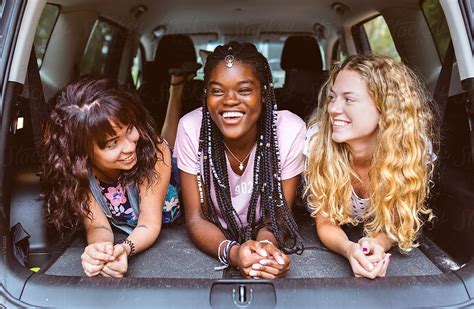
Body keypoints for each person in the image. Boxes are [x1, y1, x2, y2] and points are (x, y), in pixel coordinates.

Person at [174, 41, 305, 279]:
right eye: (217, 91)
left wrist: (265, 248)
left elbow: (278, 217)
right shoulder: (191, 129)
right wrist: (234, 254)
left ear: (264, 93)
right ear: (206, 95)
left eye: (244, 90)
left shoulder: (289, 131)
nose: (230, 100)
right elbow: (194, 218)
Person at [304, 54, 437, 279]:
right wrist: (350, 249)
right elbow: (325, 221)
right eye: (332, 97)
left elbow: (396, 220)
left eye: (349, 99)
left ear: (384, 108)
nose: (333, 109)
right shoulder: (318, 142)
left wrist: (375, 246)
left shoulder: (412, 150)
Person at [41, 78, 180, 277]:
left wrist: (124, 249)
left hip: (166, 222)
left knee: (169, 145)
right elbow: (97, 226)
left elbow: (148, 222)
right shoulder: (78, 173)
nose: (130, 146)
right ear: (83, 153)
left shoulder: (153, 151)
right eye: (112, 144)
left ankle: (177, 88)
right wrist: (101, 253)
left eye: (130, 128)